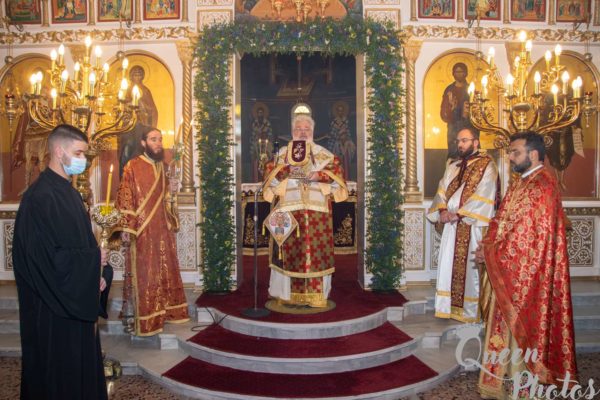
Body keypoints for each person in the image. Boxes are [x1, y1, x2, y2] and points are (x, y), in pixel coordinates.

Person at [475, 132, 577, 398]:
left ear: (533, 154)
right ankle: (499, 382)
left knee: (521, 330)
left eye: (515, 152)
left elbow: (527, 238)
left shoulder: (543, 185)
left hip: (529, 276)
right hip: (507, 269)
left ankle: (520, 387)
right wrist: (487, 246)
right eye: (510, 152)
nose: (510, 157)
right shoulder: (520, 183)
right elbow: (501, 220)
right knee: (504, 326)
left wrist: (491, 252)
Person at [13, 124, 108, 400]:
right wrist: (90, 263)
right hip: (52, 312)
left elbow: (79, 245)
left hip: (73, 300)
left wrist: (97, 274)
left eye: (84, 154)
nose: (83, 160)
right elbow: (43, 260)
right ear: (58, 151)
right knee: (57, 379)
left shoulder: (69, 193)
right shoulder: (39, 198)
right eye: (78, 153)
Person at [263, 114, 348, 307]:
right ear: (292, 132)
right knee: (287, 254)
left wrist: (319, 176)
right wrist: (288, 171)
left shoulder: (323, 154)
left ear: (313, 132)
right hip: (288, 212)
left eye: (306, 129)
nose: (302, 133)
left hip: (317, 213)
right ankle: (286, 295)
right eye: (298, 129)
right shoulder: (282, 154)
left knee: (316, 255)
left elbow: (337, 173)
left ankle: (316, 296)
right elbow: (269, 173)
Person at [114, 128, 189, 336]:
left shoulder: (163, 167)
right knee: (145, 274)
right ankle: (146, 317)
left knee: (164, 270)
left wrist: (172, 190)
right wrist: (126, 226)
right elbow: (125, 196)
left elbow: (166, 200)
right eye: (153, 139)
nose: (158, 143)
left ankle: (165, 312)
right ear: (143, 142)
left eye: (160, 139)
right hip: (142, 229)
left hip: (162, 229)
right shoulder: (133, 166)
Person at [427, 126, 498, 323]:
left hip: (471, 224)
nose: (460, 144)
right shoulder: (453, 165)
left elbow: (484, 193)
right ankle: (447, 307)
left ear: (476, 142)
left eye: (464, 140)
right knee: (448, 266)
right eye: (458, 141)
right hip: (451, 227)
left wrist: (458, 214)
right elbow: (441, 190)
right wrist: (442, 211)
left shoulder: (487, 165)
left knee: (470, 271)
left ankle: (469, 312)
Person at [117, 65, 159, 177]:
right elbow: (119, 107)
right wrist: (128, 105)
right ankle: (124, 178)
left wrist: (141, 104)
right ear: (130, 76)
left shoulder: (145, 91)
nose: (137, 74)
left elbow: (152, 109)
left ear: (143, 76)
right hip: (127, 127)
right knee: (126, 150)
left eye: (139, 72)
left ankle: (140, 179)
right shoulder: (125, 90)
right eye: (134, 72)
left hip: (141, 127)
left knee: (141, 153)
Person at [441, 62, 471, 159]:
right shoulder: (449, 89)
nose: (459, 74)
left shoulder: (470, 89)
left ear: (466, 73)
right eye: (456, 72)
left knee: (468, 150)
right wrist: (451, 108)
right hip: (453, 125)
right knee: (454, 151)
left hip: (467, 125)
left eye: (461, 71)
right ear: (453, 74)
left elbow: (475, 107)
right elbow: (444, 109)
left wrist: (467, 113)